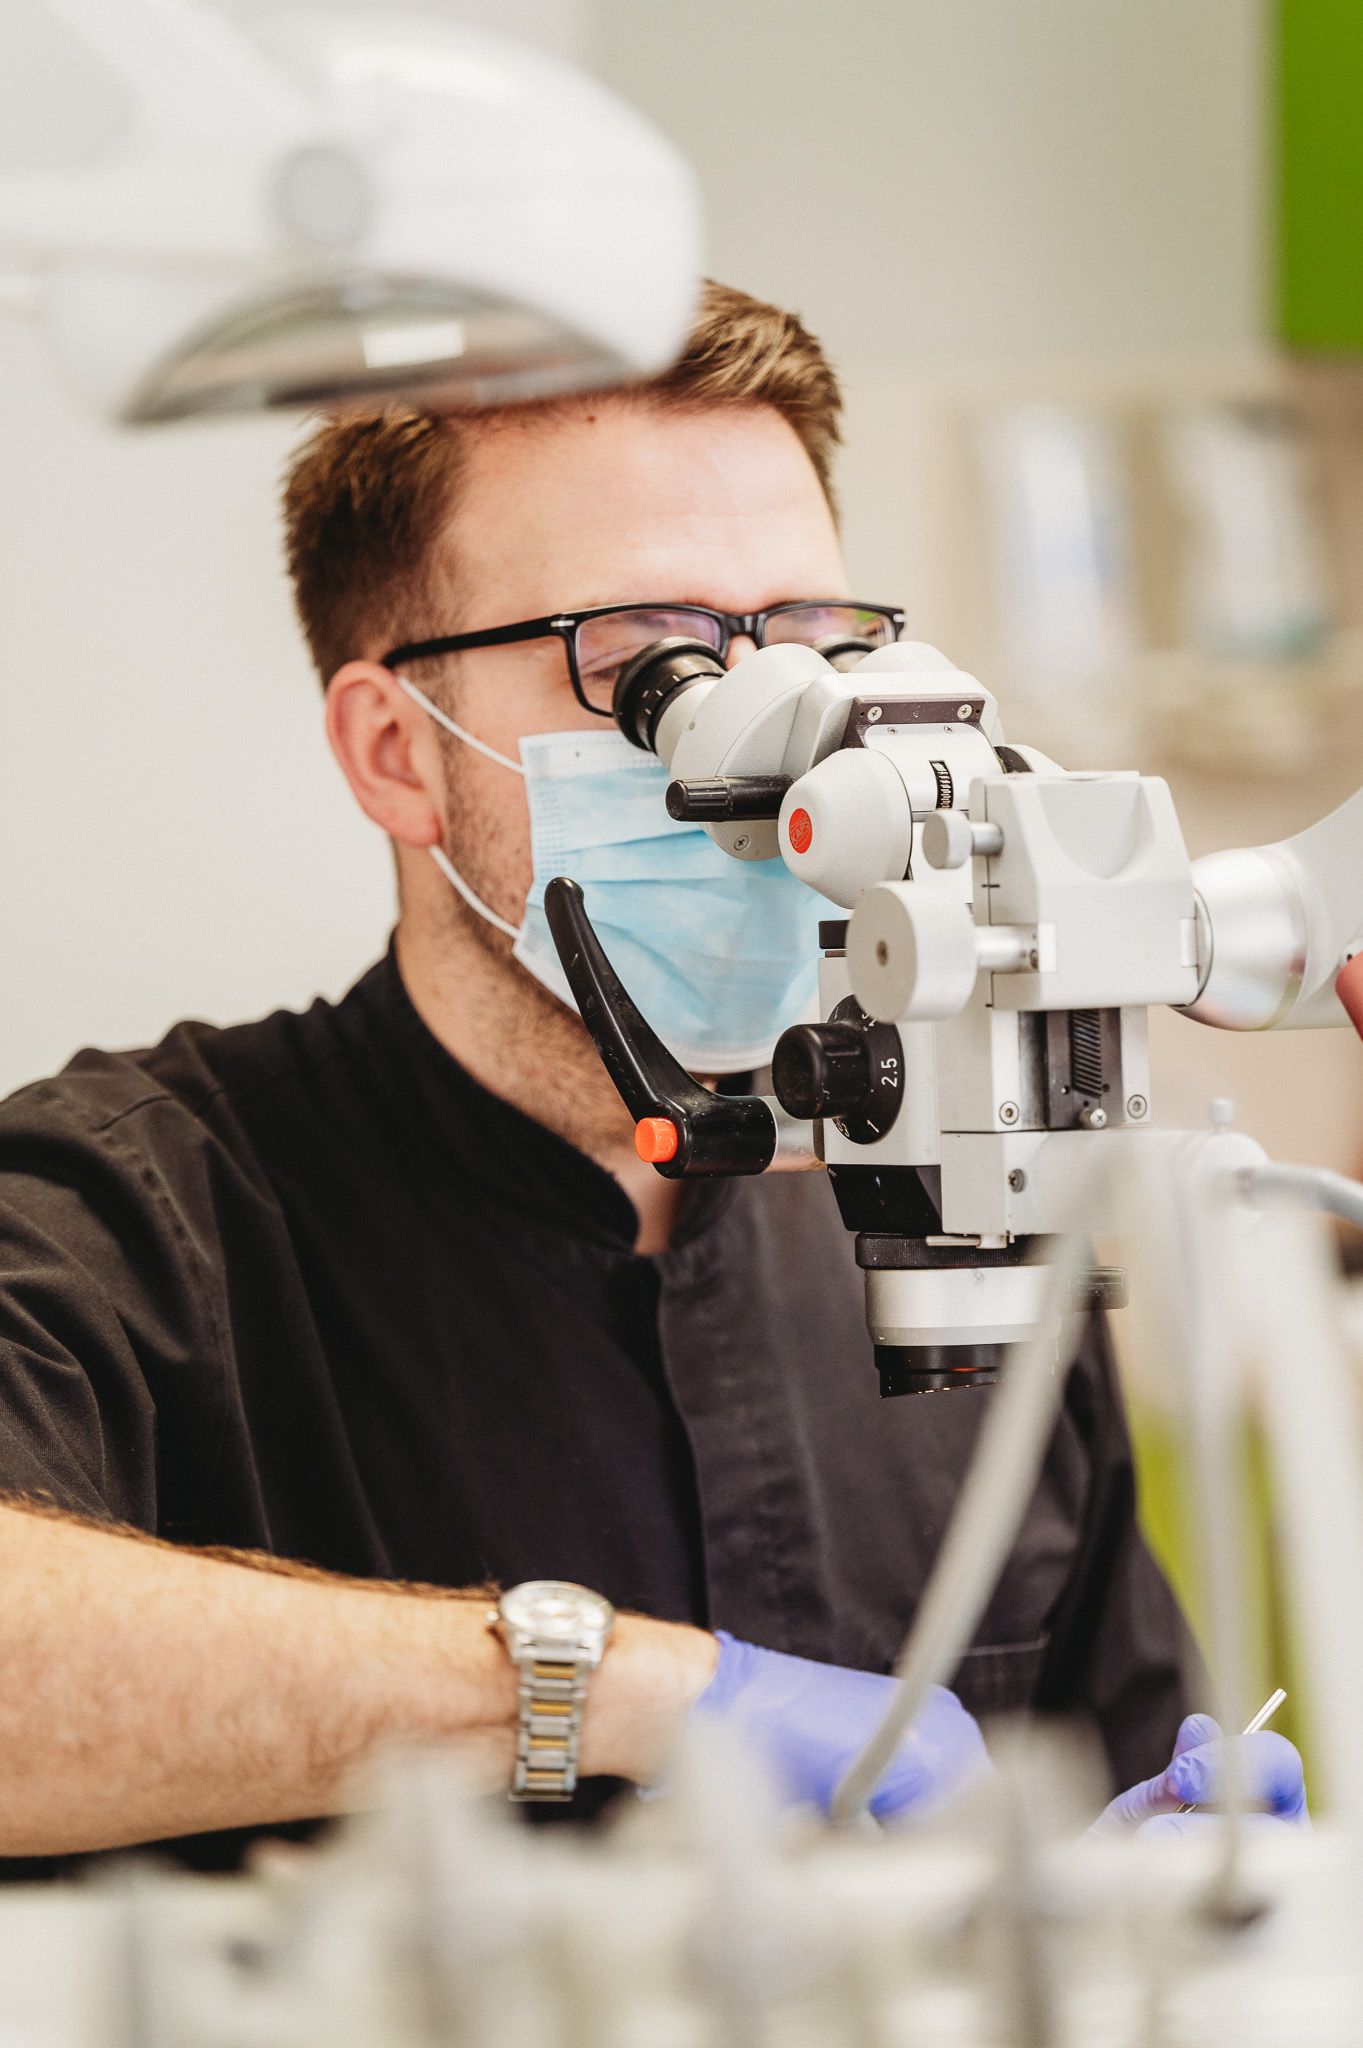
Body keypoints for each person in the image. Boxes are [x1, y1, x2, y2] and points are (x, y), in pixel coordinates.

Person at [0, 282, 1300, 1872]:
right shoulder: (129, 1225)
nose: (776, 751)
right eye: (648, 670)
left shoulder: (965, 1201)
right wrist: (621, 1692)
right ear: (396, 752)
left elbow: (1110, 1765)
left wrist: (1140, 1880)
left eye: (813, 650)